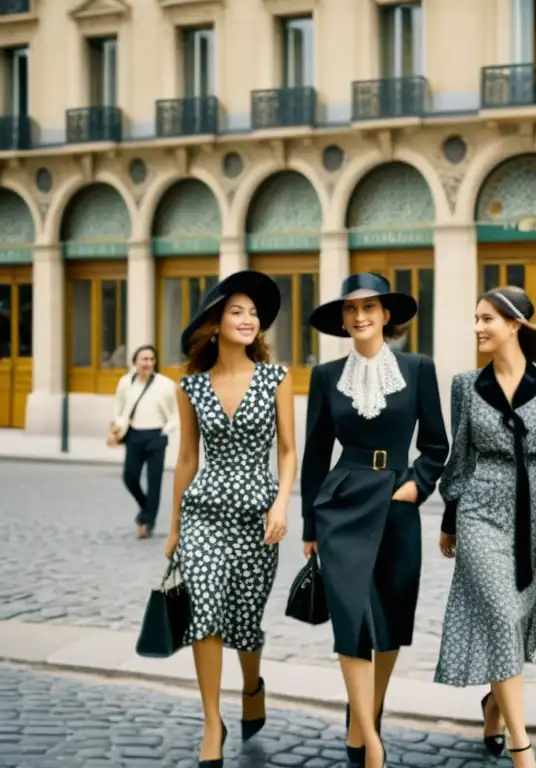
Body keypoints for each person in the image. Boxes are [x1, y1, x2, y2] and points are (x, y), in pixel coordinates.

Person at [435, 285, 536, 768]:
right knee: (503, 616)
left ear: (515, 325)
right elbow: (459, 457)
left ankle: (494, 704)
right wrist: (449, 520)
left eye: (488, 318)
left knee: (520, 616)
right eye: (477, 318)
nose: (479, 327)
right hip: (480, 509)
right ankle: (521, 746)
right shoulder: (466, 385)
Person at [300, 272, 449, 768]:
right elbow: (315, 454)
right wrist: (308, 527)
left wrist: (417, 486)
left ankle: (366, 715)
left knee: (389, 623)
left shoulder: (419, 367)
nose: (360, 316)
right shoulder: (325, 377)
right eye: (351, 310)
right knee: (351, 620)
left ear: (387, 315)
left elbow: (435, 445)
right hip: (341, 504)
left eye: (370, 308)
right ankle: (371, 743)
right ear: (343, 320)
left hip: (397, 503)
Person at [164, 270, 296, 768]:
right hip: (203, 512)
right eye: (236, 311)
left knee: (245, 618)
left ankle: (251, 684)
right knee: (205, 609)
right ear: (215, 323)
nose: (248, 319)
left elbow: (287, 451)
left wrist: (282, 502)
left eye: (253, 313)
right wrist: (175, 528)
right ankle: (212, 721)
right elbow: (185, 460)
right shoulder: (192, 386)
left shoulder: (276, 378)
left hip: (258, 515)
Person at [107, 344, 178, 539]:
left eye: (151, 359)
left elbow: (176, 412)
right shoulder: (125, 383)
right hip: (134, 435)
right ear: (135, 362)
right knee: (129, 476)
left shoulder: (166, 384)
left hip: (156, 436)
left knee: (154, 483)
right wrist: (117, 427)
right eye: (144, 359)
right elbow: (119, 408)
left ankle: (147, 522)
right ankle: (146, 506)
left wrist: (165, 430)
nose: (148, 363)